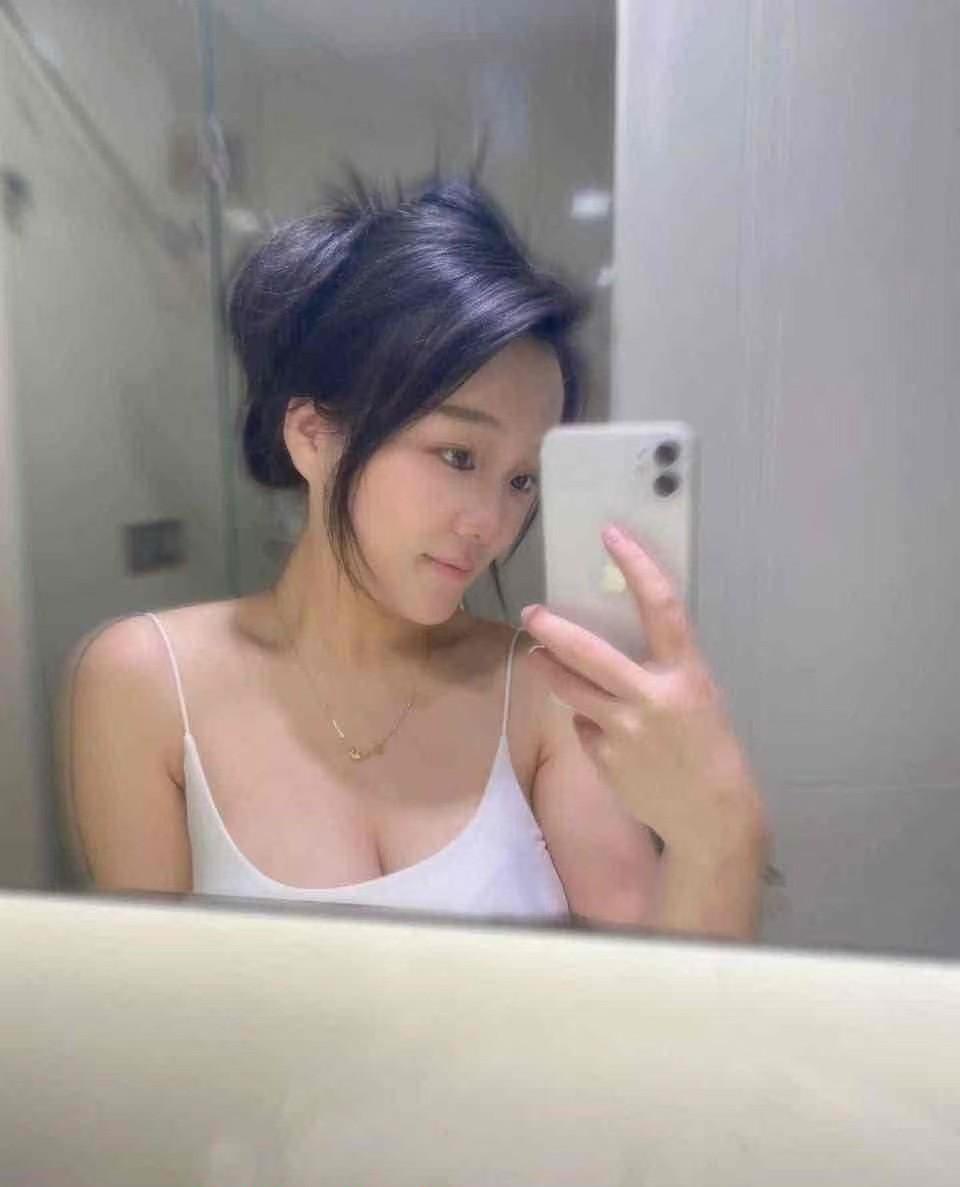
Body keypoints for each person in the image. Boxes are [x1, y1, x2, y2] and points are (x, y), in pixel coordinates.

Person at [61, 174, 770, 936]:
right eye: (458, 456)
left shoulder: (542, 690)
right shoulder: (144, 682)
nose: (492, 523)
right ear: (312, 435)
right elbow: (146, 998)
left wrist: (720, 833)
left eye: (523, 479)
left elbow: (643, 992)